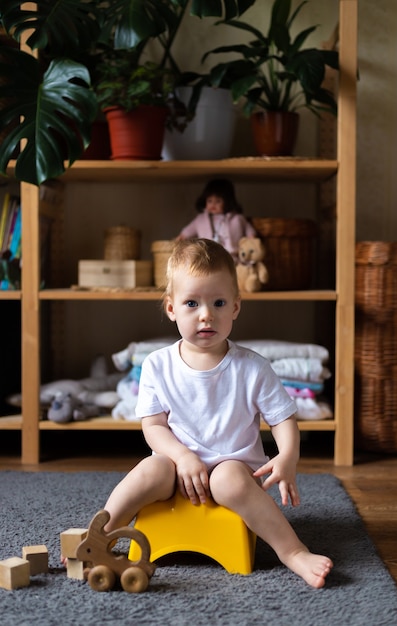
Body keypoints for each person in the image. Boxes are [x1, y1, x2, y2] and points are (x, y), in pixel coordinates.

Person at [103, 238, 333, 588]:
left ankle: (293, 552)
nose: (206, 314)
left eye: (219, 302)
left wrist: (288, 456)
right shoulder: (157, 365)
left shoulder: (252, 368)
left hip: (234, 471)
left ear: (236, 308)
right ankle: (101, 533)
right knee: (150, 468)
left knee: (225, 479)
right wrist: (182, 457)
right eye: (192, 303)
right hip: (176, 470)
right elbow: (153, 427)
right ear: (171, 308)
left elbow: (283, 418)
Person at [176, 178, 256, 262]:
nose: (213, 204)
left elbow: (249, 231)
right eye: (210, 201)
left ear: (228, 202)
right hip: (207, 256)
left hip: (232, 256)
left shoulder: (237, 218)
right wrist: (181, 237)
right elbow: (188, 231)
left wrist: (251, 240)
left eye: (218, 201)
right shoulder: (201, 219)